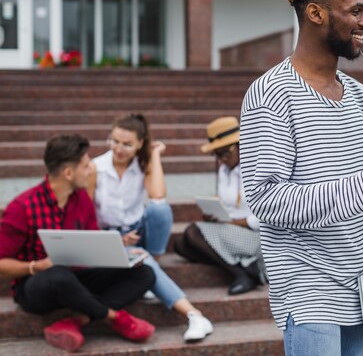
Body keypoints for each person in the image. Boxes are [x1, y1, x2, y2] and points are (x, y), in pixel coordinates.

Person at [239, 0, 363, 356]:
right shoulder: (271, 95)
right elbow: (266, 199)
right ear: (316, 13)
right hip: (308, 288)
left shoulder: (361, 98)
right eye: (356, 11)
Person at [0, 134, 156, 352]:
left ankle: (77, 320)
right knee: (59, 274)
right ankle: (114, 317)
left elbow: (92, 240)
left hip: (78, 276)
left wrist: (120, 251)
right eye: (85, 166)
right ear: (68, 173)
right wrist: (34, 267)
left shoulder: (81, 198)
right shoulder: (22, 207)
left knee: (144, 274)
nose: (91, 169)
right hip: (38, 286)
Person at [87, 113, 213, 342]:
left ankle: (150, 266)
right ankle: (194, 314)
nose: (119, 149)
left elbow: (157, 194)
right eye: (115, 141)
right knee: (143, 258)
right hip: (110, 237)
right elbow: (85, 215)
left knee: (159, 209)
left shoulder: (141, 165)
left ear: (140, 144)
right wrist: (114, 241)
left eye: (127, 144)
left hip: (138, 231)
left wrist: (154, 155)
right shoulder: (96, 168)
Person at [174, 116, 266, 295]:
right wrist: (216, 215)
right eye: (216, 154)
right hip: (230, 230)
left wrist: (235, 223)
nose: (221, 159)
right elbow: (229, 206)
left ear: (241, 145)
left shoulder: (258, 169)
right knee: (181, 245)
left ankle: (241, 274)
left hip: (258, 236)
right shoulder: (225, 170)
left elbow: (269, 214)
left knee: (193, 232)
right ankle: (247, 267)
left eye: (225, 152)